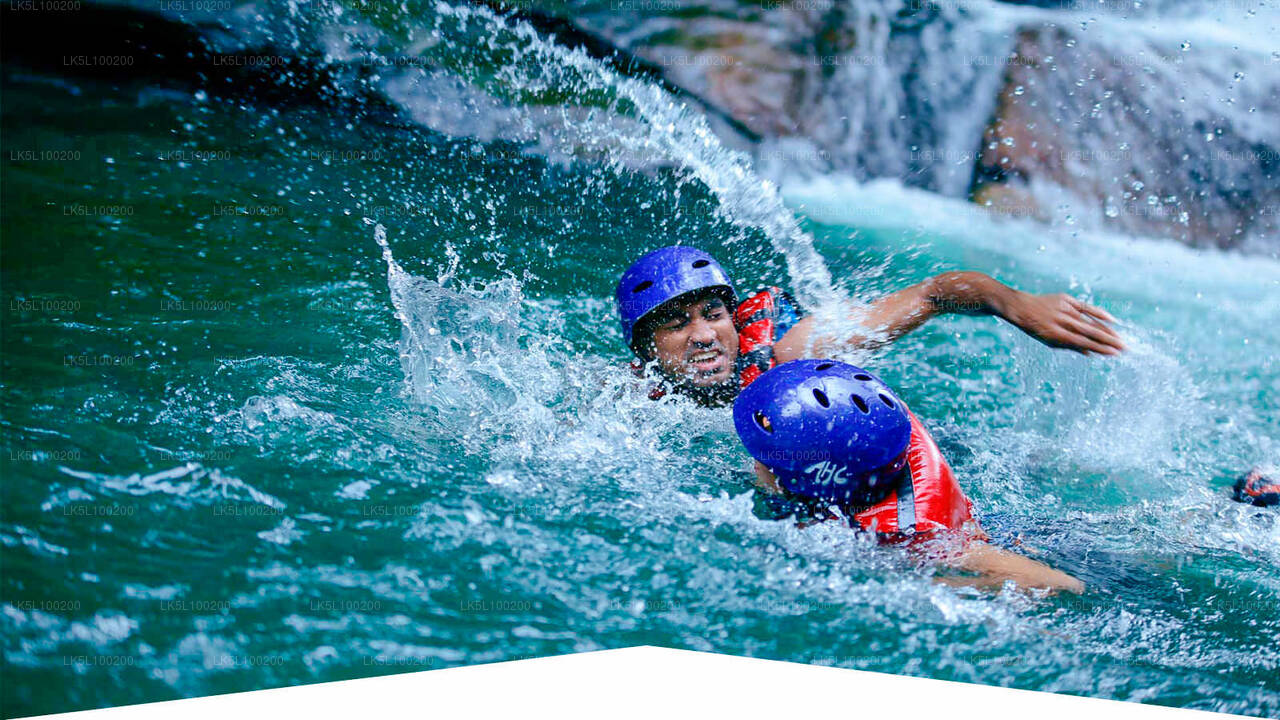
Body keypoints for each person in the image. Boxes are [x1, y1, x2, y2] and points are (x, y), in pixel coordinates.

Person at [733, 359, 1084, 593]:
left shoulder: (907, 541)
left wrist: (931, 583)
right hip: (1032, 527)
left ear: (801, 480)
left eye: (762, 458)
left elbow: (1058, 583)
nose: (754, 462)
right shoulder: (872, 425)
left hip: (1074, 556)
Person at [616, 246, 1125, 406]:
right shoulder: (630, 398)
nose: (704, 335)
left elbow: (936, 292)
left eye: (714, 314)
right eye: (677, 325)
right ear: (642, 348)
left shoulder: (786, 351)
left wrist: (1013, 304)